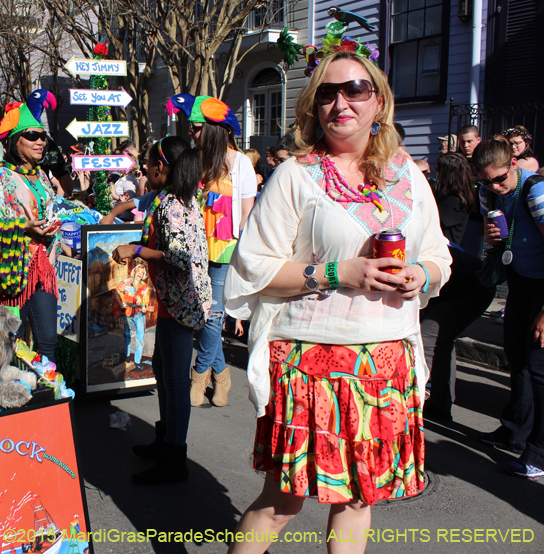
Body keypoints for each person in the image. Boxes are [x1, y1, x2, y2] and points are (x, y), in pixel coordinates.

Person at [224, 45, 451, 553]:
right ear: (313, 105)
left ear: (378, 101)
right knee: (283, 501)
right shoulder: (296, 175)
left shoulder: (408, 175)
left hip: (387, 361)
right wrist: (336, 272)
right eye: (327, 93)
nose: (340, 103)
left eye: (355, 90)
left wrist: (420, 273)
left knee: (357, 499)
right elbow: (254, 268)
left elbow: (439, 255)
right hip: (311, 362)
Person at [112, 136, 211, 484]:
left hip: (179, 304)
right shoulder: (168, 198)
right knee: (164, 373)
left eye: (148, 163)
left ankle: (174, 457)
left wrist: (136, 250)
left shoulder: (172, 205)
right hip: (173, 300)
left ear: (159, 166)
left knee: (174, 381)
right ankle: (166, 438)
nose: (144, 169)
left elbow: (178, 260)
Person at [168, 92, 256, 407]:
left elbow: (247, 214)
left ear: (213, 129)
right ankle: (221, 375)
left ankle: (199, 374)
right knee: (206, 314)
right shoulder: (194, 160)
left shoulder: (241, 163)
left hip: (225, 251)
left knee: (211, 314)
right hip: (196, 249)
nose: (191, 134)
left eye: (195, 128)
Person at [474, 139, 544, 479]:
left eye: (500, 179)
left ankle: (538, 453)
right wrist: (492, 239)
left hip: (542, 285)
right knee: (517, 356)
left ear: (514, 164)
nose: (495, 187)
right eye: (487, 181)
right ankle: (515, 430)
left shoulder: (535, 191)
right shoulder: (489, 194)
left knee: (538, 366)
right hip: (520, 279)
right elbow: (501, 237)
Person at [0, 89, 60, 360]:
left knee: (48, 342)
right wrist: (24, 226)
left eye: (43, 137)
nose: (40, 142)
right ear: (14, 141)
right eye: (32, 135)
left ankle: (48, 386)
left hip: (42, 267)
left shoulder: (43, 176)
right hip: (10, 269)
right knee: (11, 342)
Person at [420, 153, 495, 421]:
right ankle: (440, 406)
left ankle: (415, 401)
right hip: (451, 286)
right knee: (440, 340)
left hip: (471, 286)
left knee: (429, 337)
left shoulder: (449, 206)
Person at [113, 261, 151, 371]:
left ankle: (137, 362)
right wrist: (121, 304)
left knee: (140, 338)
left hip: (139, 314)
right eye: (138, 271)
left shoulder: (145, 287)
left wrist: (144, 307)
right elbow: (116, 291)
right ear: (134, 272)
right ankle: (126, 357)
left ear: (144, 275)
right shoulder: (127, 282)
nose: (140, 274)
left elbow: (146, 302)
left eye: (142, 273)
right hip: (128, 313)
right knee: (127, 336)